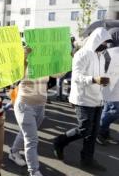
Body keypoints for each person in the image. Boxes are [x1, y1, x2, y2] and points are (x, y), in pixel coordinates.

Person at [53, 27, 113, 171]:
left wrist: (106, 81)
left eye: (107, 43)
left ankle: (87, 160)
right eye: (104, 43)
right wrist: (94, 79)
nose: (105, 46)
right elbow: (77, 77)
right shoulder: (82, 54)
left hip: (98, 99)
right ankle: (60, 141)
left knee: (93, 132)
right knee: (84, 129)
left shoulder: (101, 55)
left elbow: (101, 75)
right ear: (96, 40)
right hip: (83, 98)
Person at [9, 47, 48, 176]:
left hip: (40, 105)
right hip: (25, 105)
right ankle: (34, 171)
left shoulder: (46, 61)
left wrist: (66, 58)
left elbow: (58, 74)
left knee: (26, 132)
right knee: (32, 139)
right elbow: (16, 76)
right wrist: (24, 58)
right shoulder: (24, 60)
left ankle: (14, 152)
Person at [96, 27, 119, 145]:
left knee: (109, 110)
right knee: (114, 110)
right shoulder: (108, 53)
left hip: (113, 88)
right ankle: (100, 131)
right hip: (110, 88)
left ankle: (103, 132)